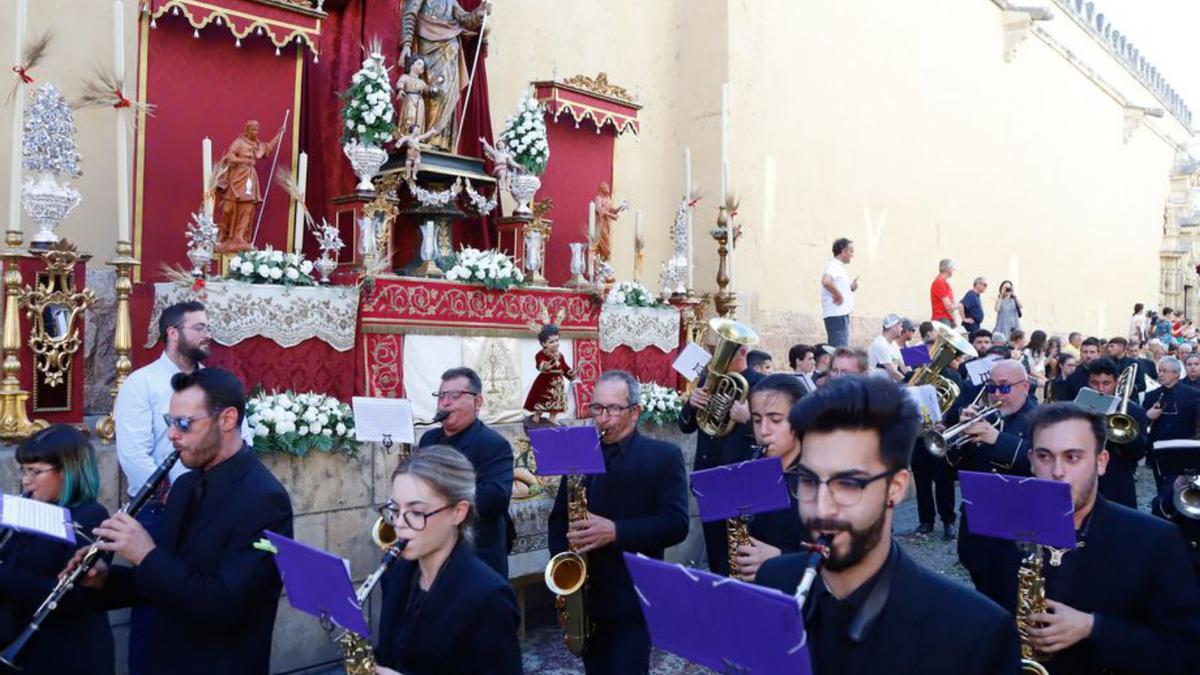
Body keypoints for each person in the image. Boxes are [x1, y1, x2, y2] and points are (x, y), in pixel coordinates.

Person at [755, 376, 1020, 674]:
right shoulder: (773, 580)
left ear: (896, 487)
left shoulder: (977, 633)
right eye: (808, 480)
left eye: (848, 483)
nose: (820, 508)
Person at [77, 368, 293, 674]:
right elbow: (161, 582)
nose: (171, 435)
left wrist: (146, 554)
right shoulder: (184, 486)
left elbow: (227, 603)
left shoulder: (265, 500)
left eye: (184, 424)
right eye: (170, 422)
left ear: (227, 420)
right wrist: (103, 580)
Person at [975, 404, 1200, 674]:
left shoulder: (1155, 540)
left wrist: (1094, 628)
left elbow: (1186, 654)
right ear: (1031, 460)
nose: (1057, 472)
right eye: (1045, 456)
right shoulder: (997, 532)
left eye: (1072, 457)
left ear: (1101, 462)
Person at [548, 370, 689, 675]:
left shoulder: (663, 456)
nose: (602, 418)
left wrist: (615, 531)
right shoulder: (579, 452)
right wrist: (563, 578)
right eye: (597, 408)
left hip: (633, 597)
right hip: (585, 597)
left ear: (635, 412)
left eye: (613, 409)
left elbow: (677, 523)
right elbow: (559, 518)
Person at [113, 300, 210, 675]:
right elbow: (133, 452)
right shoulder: (142, 382)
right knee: (154, 611)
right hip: (159, 509)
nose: (207, 333)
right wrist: (175, 489)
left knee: (196, 606)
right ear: (173, 333)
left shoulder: (212, 384)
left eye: (206, 326)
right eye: (198, 327)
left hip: (206, 507)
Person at [373, 446, 522, 675]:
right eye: (394, 509)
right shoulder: (396, 571)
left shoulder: (489, 596)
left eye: (416, 511)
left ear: (458, 512)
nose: (399, 524)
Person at [0, 426, 113, 675]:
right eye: (24, 471)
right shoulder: (29, 506)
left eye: (35, 472)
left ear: (67, 471)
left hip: (66, 654)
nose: (25, 480)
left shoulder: (90, 516)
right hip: (21, 643)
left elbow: (71, 596)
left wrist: (3, 577)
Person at [949, 359, 1038, 594]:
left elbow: (1040, 465)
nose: (997, 394)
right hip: (977, 524)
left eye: (1004, 387)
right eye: (991, 388)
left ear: (1025, 387)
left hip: (1018, 528)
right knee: (983, 586)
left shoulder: (1042, 420)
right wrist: (956, 435)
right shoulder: (985, 416)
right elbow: (954, 470)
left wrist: (996, 439)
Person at [419, 367, 514, 577]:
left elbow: (496, 498)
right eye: (441, 396)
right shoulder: (428, 440)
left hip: (476, 558)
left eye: (454, 396)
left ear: (477, 402)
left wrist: (439, 497)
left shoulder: (493, 444)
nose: (445, 403)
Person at [679, 345, 762, 574]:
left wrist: (748, 419)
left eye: (725, 354)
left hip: (739, 478)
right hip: (708, 475)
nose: (717, 360)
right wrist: (691, 404)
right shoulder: (709, 379)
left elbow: (771, 432)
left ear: (743, 352)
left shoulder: (759, 384)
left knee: (740, 550)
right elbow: (685, 426)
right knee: (715, 549)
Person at [730, 374, 810, 581]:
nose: (763, 431)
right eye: (756, 420)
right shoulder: (752, 468)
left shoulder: (821, 481)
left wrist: (780, 559)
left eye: (775, 420)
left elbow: (842, 562)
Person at [1086, 358, 1148, 508]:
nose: (1100, 389)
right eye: (1095, 383)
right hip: (1086, 481)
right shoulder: (1078, 406)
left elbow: (1139, 453)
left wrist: (1118, 426)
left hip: (1118, 483)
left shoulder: (1133, 411)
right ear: (1088, 382)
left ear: (1117, 382)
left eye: (1106, 383)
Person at [215, 120, 284, 253]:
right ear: (247, 130)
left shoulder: (257, 145)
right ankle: (223, 234)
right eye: (253, 129)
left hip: (250, 178)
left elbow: (268, 148)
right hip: (236, 177)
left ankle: (240, 236)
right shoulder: (239, 142)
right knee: (228, 207)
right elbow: (229, 157)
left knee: (247, 207)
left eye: (257, 129)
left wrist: (279, 134)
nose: (255, 132)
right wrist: (244, 160)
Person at [1146, 357, 1200, 489]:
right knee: (1161, 488)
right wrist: (1147, 415)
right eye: (1159, 370)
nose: (1160, 374)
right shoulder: (1151, 395)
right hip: (1159, 452)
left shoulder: (1194, 395)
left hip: (1185, 451)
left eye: (1165, 371)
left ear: (1176, 373)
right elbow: (1141, 423)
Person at [522, 323, 576, 426]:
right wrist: (544, 365)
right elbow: (539, 363)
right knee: (541, 399)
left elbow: (564, 367)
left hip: (558, 383)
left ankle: (552, 418)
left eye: (557, 340)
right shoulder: (541, 354)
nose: (555, 344)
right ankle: (536, 417)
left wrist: (572, 375)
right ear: (543, 343)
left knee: (556, 401)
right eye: (552, 342)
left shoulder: (559, 355)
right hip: (545, 381)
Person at [820, 238, 857, 347]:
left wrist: (850, 288)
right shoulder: (833, 266)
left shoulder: (838, 267)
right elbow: (826, 281)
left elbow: (834, 285)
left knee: (840, 349)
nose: (852, 255)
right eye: (851, 251)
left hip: (840, 314)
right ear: (843, 251)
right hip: (837, 315)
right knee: (839, 351)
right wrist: (838, 295)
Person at [867, 314, 906, 382]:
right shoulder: (880, 344)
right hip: (876, 386)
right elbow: (893, 372)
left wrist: (913, 378)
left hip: (888, 385)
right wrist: (910, 384)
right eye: (900, 325)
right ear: (893, 327)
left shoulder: (893, 343)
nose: (902, 329)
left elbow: (903, 365)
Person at [1061, 337, 1102, 402]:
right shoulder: (1073, 375)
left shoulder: (1107, 373)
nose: (1088, 356)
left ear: (1099, 354)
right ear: (1080, 354)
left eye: (1092, 352)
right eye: (1085, 352)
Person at [929, 258, 958, 327]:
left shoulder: (942, 282)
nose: (954, 270)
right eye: (953, 268)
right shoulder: (940, 282)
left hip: (944, 319)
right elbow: (948, 306)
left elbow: (948, 305)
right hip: (942, 319)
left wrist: (953, 319)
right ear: (948, 269)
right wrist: (959, 305)